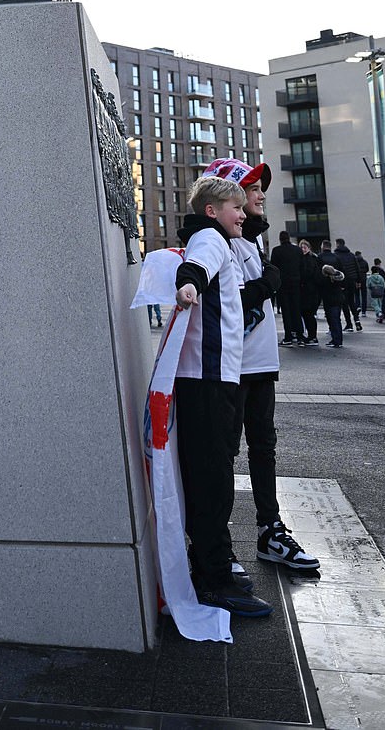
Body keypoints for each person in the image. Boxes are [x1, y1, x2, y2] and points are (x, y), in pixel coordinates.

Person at [135, 174, 272, 624]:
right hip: (209, 378)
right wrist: (189, 283)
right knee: (212, 477)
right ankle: (216, 579)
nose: (243, 213)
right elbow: (196, 268)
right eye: (236, 206)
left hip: (209, 376)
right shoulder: (211, 238)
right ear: (213, 210)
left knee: (206, 475)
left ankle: (210, 564)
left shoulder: (216, 238)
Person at [203, 160, 320, 580]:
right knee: (223, 455)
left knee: (263, 449)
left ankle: (270, 531)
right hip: (233, 368)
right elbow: (234, 302)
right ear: (227, 196)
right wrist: (270, 281)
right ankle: (218, 544)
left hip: (260, 365)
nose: (260, 195)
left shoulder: (249, 242)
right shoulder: (221, 241)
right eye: (251, 187)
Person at [270, 230, 305, 346]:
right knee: (296, 310)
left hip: (283, 284)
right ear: (289, 238)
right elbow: (302, 267)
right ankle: (300, 335)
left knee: (286, 311)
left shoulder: (276, 251)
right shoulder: (297, 250)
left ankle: (288, 336)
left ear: (280, 239)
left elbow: (273, 269)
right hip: (296, 283)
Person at [317, 244, 346, 347]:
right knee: (336, 320)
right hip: (338, 299)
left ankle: (336, 340)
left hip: (330, 301)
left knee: (333, 320)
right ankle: (337, 339)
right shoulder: (338, 278)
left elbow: (320, 285)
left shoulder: (325, 281)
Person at [333, 237, 361, 331]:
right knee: (352, 302)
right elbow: (357, 269)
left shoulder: (336, 255)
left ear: (337, 244)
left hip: (343, 281)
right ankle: (357, 321)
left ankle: (349, 324)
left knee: (344, 304)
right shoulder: (351, 255)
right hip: (352, 281)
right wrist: (358, 281)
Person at [298, 240, 323, 344]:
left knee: (308, 314)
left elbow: (307, 273)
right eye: (302, 247)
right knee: (308, 314)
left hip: (308, 290)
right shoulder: (314, 258)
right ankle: (312, 335)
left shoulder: (307, 259)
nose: (303, 249)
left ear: (308, 248)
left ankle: (312, 336)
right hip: (312, 290)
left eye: (305, 247)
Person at [354, 249, 370, 316]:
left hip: (356, 280)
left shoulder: (354, 262)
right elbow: (367, 269)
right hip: (363, 279)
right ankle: (364, 311)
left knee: (356, 295)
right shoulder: (365, 262)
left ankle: (357, 307)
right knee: (364, 296)